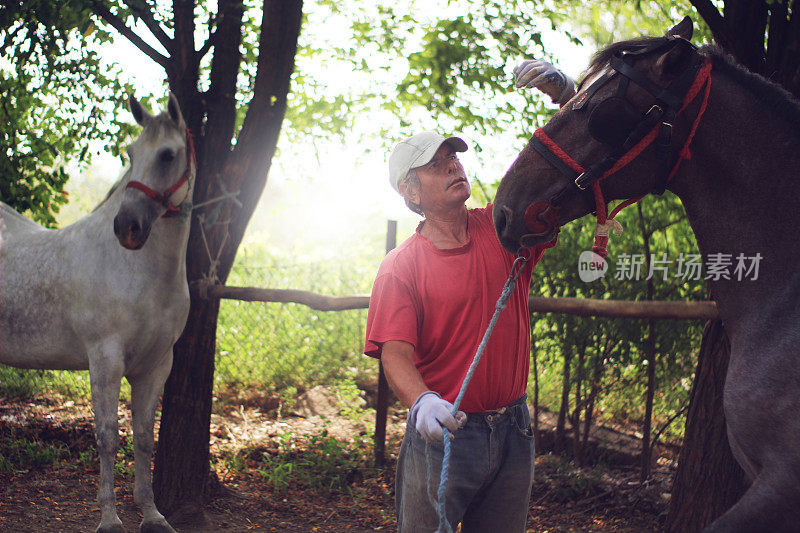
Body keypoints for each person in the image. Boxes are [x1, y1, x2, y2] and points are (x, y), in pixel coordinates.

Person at [364, 59, 574, 532]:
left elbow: (556, 177)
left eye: (454, 159)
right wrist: (422, 403)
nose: (454, 167)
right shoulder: (401, 268)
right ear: (411, 191)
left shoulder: (501, 228)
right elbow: (395, 355)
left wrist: (568, 99)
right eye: (438, 166)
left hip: (515, 429)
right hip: (444, 435)